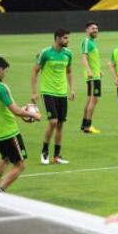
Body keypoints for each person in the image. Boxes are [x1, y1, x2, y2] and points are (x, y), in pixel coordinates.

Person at [0, 57, 41, 192]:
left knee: (5, 158)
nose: (5, 74)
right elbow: (16, 111)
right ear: (0, 69)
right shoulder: (0, 88)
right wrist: (34, 115)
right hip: (9, 132)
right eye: (5, 71)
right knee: (20, 165)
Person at [31, 28, 74, 165]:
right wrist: (34, 92)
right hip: (48, 91)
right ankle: (44, 151)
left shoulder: (68, 54)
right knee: (53, 121)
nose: (68, 40)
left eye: (68, 38)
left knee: (60, 124)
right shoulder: (45, 53)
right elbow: (35, 71)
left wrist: (71, 89)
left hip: (62, 93)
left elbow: (69, 71)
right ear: (57, 38)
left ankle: (56, 156)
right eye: (65, 38)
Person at [80, 21, 102, 134]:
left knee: (90, 100)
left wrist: (99, 71)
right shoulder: (87, 41)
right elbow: (84, 57)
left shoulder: (92, 42)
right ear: (87, 30)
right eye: (93, 28)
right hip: (93, 77)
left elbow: (92, 59)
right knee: (94, 100)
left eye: (96, 28)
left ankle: (84, 124)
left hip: (95, 75)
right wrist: (89, 71)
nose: (95, 30)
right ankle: (88, 126)